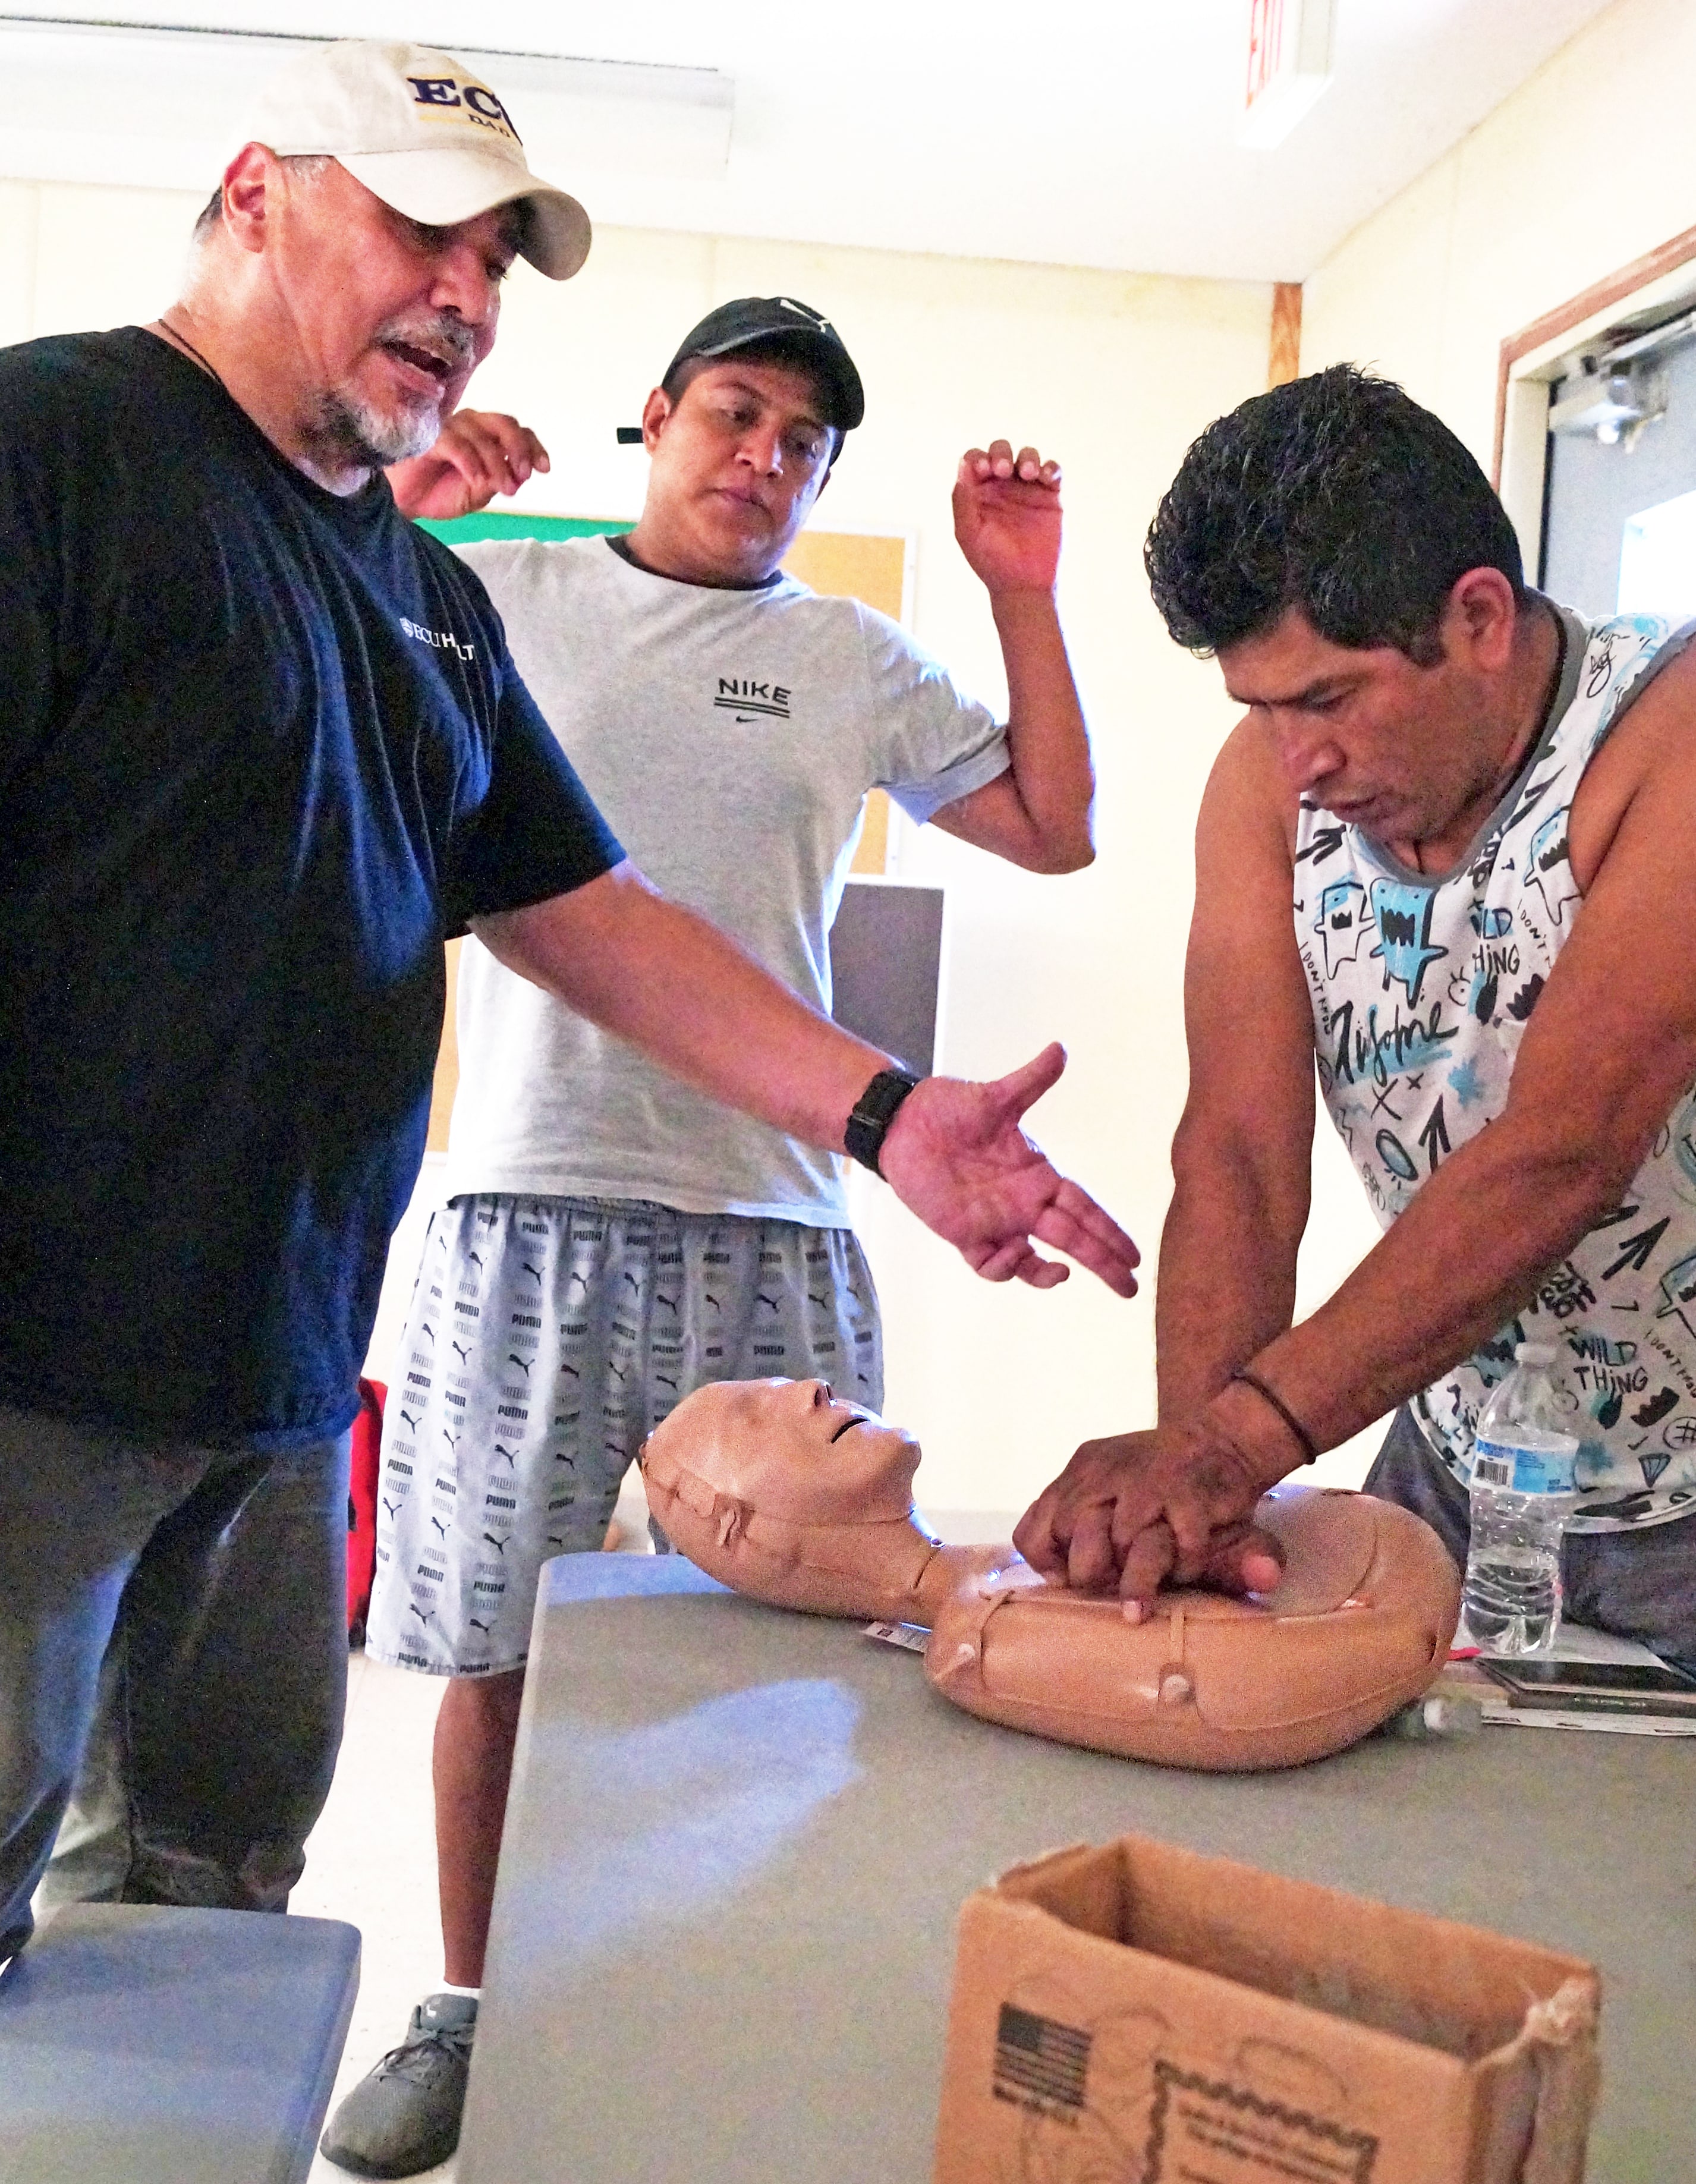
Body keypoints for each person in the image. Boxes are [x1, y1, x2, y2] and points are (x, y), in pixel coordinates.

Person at [0, 34, 1140, 1990]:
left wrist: (887, 1115)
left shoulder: (413, 589)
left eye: (499, 264)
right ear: (260, 194)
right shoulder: (60, 446)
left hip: (270, 1394)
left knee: (199, 1909)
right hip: (36, 1374)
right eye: (420, 230)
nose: (463, 295)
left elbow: (585, 910)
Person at [322, 295, 1097, 2176]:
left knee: (795, 1640)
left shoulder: (844, 652)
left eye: (800, 442)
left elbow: (1058, 825)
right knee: (498, 1637)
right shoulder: (498, 595)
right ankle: (475, 2013)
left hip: (770, 1209)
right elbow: (333, 716)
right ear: (652, 419)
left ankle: (742, 1976)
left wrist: (1017, 588)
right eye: (732, 415)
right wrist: (397, 512)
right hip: (525, 1189)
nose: (761, 457)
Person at [1015, 364, 1696, 1673]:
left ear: (1479, 618)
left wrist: (1230, 1445)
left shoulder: (1660, 739)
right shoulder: (1266, 789)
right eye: (1259, 709)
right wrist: (1197, 1494)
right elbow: (1235, 1155)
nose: (1297, 762)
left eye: (1326, 699)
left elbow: (1564, 1145)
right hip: (1450, 1461)